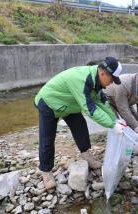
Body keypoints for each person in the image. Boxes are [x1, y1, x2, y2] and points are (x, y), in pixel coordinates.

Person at [34, 57, 124, 190]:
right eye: (111, 80)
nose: (111, 83)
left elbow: (102, 102)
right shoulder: (82, 80)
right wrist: (111, 125)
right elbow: (90, 109)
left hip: (70, 104)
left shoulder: (97, 80)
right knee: (47, 138)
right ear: (103, 73)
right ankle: (46, 172)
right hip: (49, 102)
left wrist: (115, 120)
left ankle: (86, 155)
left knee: (80, 126)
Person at [104, 68, 138, 138]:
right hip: (109, 101)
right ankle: (116, 145)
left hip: (126, 102)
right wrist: (137, 126)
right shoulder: (123, 84)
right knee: (117, 126)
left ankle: (129, 145)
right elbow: (123, 109)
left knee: (136, 124)